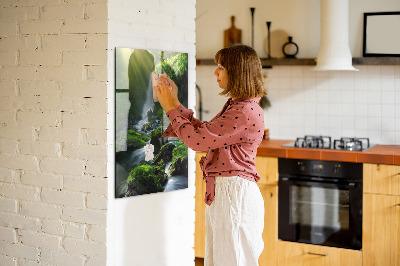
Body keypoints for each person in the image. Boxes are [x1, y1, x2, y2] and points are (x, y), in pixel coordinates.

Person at [153, 44, 266, 266]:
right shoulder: (239, 106)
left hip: (234, 195)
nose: (215, 72)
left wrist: (169, 108)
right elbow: (205, 133)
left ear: (237, 71)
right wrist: (175, 104)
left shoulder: (243, 111)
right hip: (228, 193)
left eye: (221, 67)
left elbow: (197, 141)